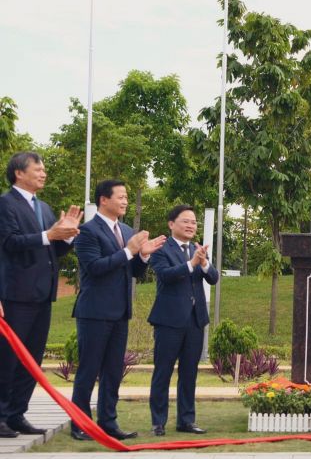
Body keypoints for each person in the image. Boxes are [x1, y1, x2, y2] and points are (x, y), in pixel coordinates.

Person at [70, 179, 165, 441]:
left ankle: (108, 422)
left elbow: (132, 271)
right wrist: (128, 251)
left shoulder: (124, 229)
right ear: (104, 199)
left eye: (126, 197)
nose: (125, 201)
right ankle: (79, 424)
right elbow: (96, 268)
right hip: (94, 312)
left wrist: (143, 255)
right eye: (120, 197)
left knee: (113, 370)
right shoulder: (87, 231)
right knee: (89, 369)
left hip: (120, 311)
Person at [0, 152, 82, 438]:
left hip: (42, 294)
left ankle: (16, 414)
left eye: (44, 168)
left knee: (31, 358)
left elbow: (52, 248)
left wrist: (68, 236)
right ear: (19, 173)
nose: (44, 173)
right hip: (16, 294)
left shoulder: (44, 208)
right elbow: (9, 242)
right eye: (38, 168)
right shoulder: (5, 204)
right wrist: (50, 234)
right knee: (8, 356)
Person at [147, 205, 219, 436]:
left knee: (189, 372)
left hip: (195, 321)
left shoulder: (197, 250)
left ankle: (186, 421)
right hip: (169, 321)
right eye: (185, 221)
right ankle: (158, 421)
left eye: (194, 222)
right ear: (171, 224)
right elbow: (166, 276)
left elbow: (214, 278)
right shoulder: (161, 249)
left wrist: (205, 262)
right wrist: (192, 264)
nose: (191, 225)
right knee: (163, 372)